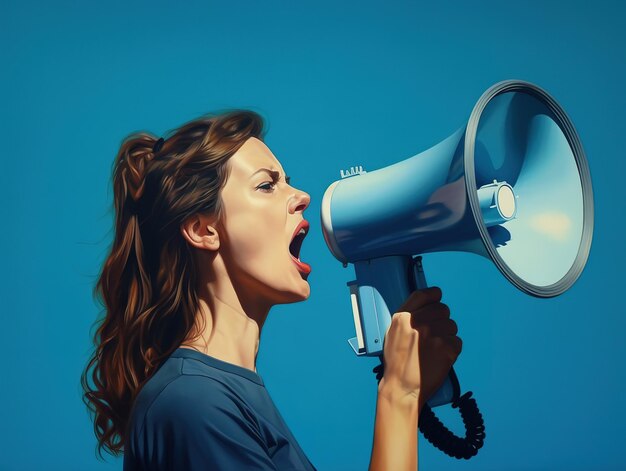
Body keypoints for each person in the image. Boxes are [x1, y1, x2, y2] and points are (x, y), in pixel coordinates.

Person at [81, 110, 462, 470]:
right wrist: (398, 396)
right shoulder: (194, 402)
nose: (302, 197)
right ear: (203, 230)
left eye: (288, 181)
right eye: (267, 185)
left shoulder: (219, 395)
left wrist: (408, 394)